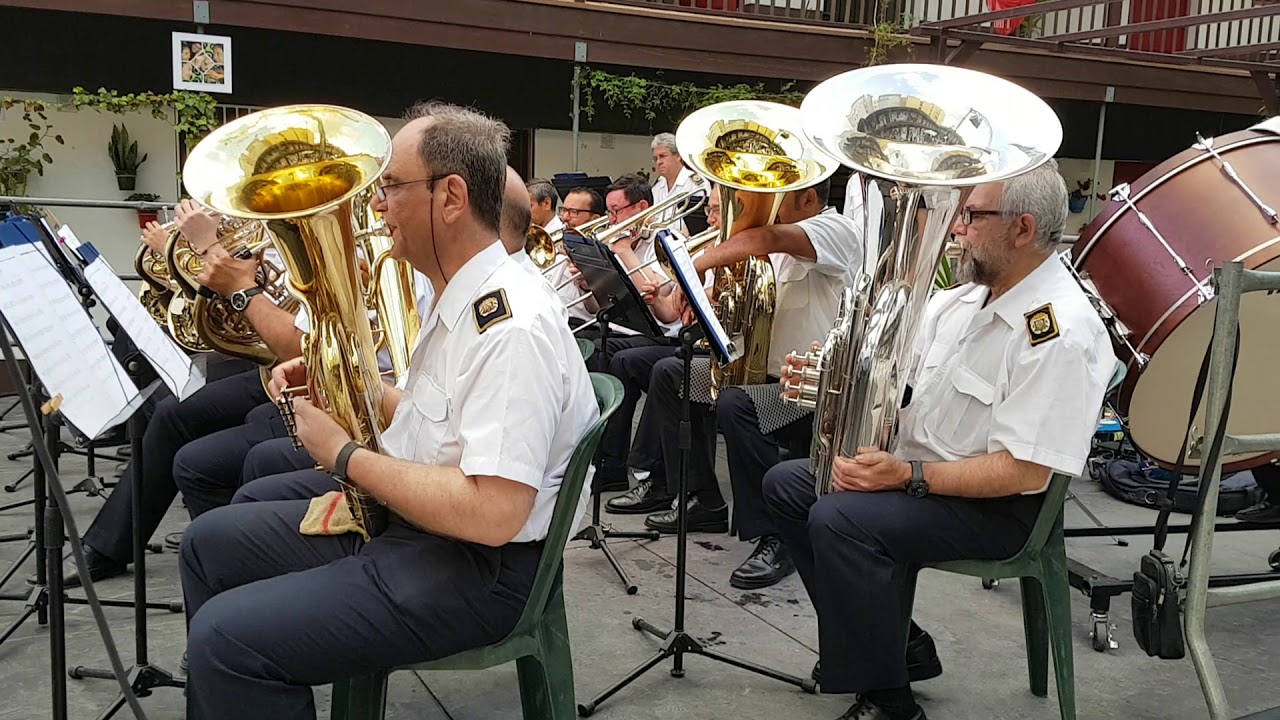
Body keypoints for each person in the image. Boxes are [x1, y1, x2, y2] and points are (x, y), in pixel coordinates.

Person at [178, 100, 599, 720]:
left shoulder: (511, 325)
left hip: (473, 570)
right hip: (426, 535)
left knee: (227, 641)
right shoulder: (470, 293)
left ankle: (233, 684)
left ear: (450, 197)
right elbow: (447, 423)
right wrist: (349, 386)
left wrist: (343, 455)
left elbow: (493, 512)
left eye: (392, 187)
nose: (375, 205)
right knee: (207, 544)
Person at [763, 161, 1117, 720]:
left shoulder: (1060, 330)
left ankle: (890, 701)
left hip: (1000, 510)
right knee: (788, 484)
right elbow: (894, 387)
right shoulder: (959, 302)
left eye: (972, 216)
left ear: (1022, 229)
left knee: (841, 517)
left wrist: (907, 477)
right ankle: (898, 644)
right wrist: (824, 380)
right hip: (925, 480)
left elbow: (1025, 473)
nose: (956, 228)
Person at [42, 203, 306, 587]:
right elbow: (228, 298)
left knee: (197, 450)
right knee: (171, 413)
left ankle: (232, 562)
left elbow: (287, 338)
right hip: (273, 372)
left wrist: (203, 246)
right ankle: (108, 546)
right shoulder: (273, 229)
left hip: (298, 375)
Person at [606, 180, 861, 547]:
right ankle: (700, 499)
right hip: (763, 375)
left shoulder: (835, 230)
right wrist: (704, 297)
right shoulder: (777, 239)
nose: (767, 207)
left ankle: (776, 535)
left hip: (807, 386)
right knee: (671, 374)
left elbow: (768, 239)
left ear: (808, 198)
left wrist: (695, 265)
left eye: (778, 200)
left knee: (736, 402)